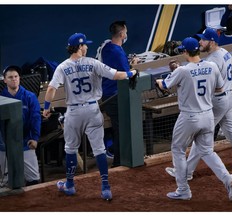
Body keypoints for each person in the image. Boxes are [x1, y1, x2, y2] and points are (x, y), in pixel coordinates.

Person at [42, 32, 137, 200]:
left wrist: (47, 108)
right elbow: (116, 75)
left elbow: (50, 89)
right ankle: (105, 187)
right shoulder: (93, 63)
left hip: (74, 112)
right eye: (85, 45)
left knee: (70, 149)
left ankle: (70, 185)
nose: (87, 47)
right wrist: (132, 72)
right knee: (99, 149)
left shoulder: (62, 66)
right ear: (79, 47)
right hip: (92, 110)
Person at [166, 28, 232, 182]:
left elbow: (208, 85)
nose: (200, 42)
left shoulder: (212, 61)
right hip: (229, 97)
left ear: (212, 42)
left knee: (201, 138)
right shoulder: (225, 52)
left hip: (218, 101)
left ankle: (186, 172)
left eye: (204, 40)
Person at [156, 37, 232, 201]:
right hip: (208, 115)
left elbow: (164, 85)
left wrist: (162, 80)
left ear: (186, 52)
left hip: (189, 117)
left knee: (178, 149)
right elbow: (220, 88)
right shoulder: (212, 66)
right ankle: (228, 179)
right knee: (208, 152)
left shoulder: (182, 71)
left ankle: (183, 190)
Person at [97, 20, 139, 167]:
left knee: (119, 128)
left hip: (108, 94)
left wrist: (129, 65)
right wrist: (133, 67)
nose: (126, 34)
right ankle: (119, 162)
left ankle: (119, 159)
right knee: (121, 129)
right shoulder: (115, 50)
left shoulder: (107, 46)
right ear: (121, 34)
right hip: (114, 96)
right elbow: (125, 74)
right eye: (125, 32)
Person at [0, 65, 41, 186]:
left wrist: (34, 138)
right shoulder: (1, 99)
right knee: (6, 181)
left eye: (16, 76)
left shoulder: (30, 97)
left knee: (33, 178)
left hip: (25, 142)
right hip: (4, 145)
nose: (14, 79)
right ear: (5, 80)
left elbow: (35, 118)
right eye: (10, 77)